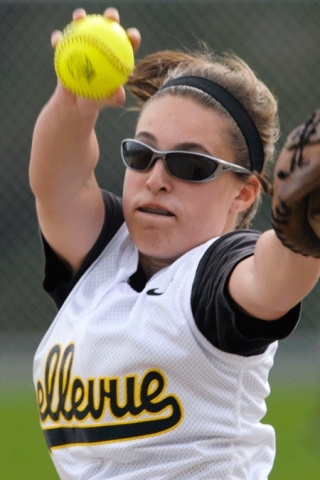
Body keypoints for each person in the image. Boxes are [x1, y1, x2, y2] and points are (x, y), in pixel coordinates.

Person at [29, 6, 320, 480]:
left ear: (244, 191)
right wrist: (74, 102)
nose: (157, 179)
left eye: (190, 165)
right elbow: (55, 184)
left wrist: (304, 229)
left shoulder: (215, 274)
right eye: (142, 155)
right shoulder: (104, 255)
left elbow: (274, 277)